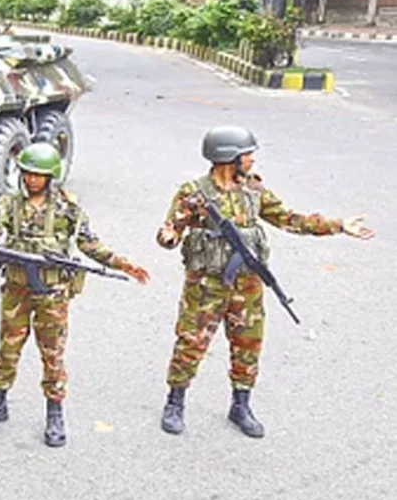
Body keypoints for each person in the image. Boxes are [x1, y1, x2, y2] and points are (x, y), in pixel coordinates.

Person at [156, 126, 375, 438]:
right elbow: (170, 230)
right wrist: (168, 236)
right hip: (205, 287)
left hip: (247, 285)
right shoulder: (194, 193)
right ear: (228, 158)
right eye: (247, 154)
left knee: (248, 344)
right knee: (191, 342)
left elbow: (290, 219)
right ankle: (175, 401)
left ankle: (241, 405)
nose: (252, 160)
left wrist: (338, 226)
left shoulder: (254, 192)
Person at [0, 142, 150, 447]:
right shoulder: (10, 203)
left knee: (52, 354)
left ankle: (55, 412)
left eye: (39, 175)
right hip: (17, 289)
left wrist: (122, 264)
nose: (32, 180)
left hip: (53, 293)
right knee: (8, 348)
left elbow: (89, 244)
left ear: (51, 177)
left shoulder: (68, 207)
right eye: (27, 174)